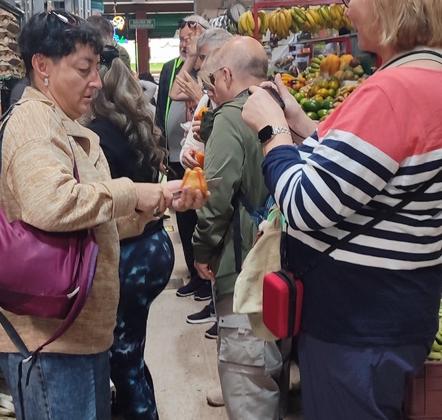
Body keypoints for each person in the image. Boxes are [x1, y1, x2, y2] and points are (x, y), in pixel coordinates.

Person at [241, 0, 442, 418]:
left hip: (358, 326)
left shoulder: (394, 90)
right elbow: (361, 173)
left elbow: (306, 205)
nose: (347, 11)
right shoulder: (439, 77)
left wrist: (272, 132)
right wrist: (301, 124)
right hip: (391, 314)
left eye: (354, 1)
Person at [0, 11, 205, 419]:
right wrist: (130, 191)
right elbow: (51, 204)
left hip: (74, 331)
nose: (97, 82)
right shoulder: (33, 122)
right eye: (83, 69)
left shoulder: (62, 123)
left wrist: (154, 202)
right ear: (42, 66)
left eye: (96, 69)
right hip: (48, 339)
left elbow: (87, 217)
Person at [192, 36, 281, 420]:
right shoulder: (280, 111)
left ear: (226, 75)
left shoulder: (231, 117)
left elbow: (214, 198)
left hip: (244, 265)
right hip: (279, 263)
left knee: (248, 381)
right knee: (271, 364)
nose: (209, 93)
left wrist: (201, 249)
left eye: (210, 84)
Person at [85, 46, 172, 420]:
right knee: (131, 351)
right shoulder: (135, 123)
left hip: (132, 254)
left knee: (123, 358)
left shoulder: (97, 135)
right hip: (155, 246)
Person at [176, 29, 233, 341]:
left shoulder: (229, 109)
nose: (197, 64)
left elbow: (222, 188)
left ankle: (220, 311)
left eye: (202, 57)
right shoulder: (212, 98)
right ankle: (217, 307)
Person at [155, 15, 211, 302]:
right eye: (181, 38)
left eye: (191, 35)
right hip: (177, 154)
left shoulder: (209, 66)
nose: (184, 41)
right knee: (184, 218)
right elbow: (168, 100)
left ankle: (205, 280)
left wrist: (197, 51)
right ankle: (192, 272)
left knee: (200, 217)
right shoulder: (172, 68)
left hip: (201, 155)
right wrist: (161, 147)